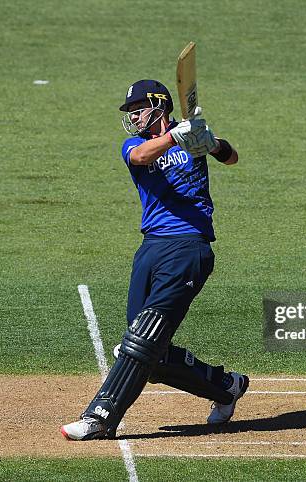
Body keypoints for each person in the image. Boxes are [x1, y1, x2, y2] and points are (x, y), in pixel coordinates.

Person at [61, 79, 249, 440]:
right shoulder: (136, 145)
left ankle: (99, 417)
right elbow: (142, 156)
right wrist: (176, 136)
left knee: (141, 342)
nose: (132, 117)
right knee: (149, 353)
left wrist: (211, 143)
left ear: (158, 105)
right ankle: (225, 386)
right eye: (129, 112)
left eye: (137, 109)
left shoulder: (190, 139)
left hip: (188, 248)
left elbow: (232, 157)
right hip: (151, 249)